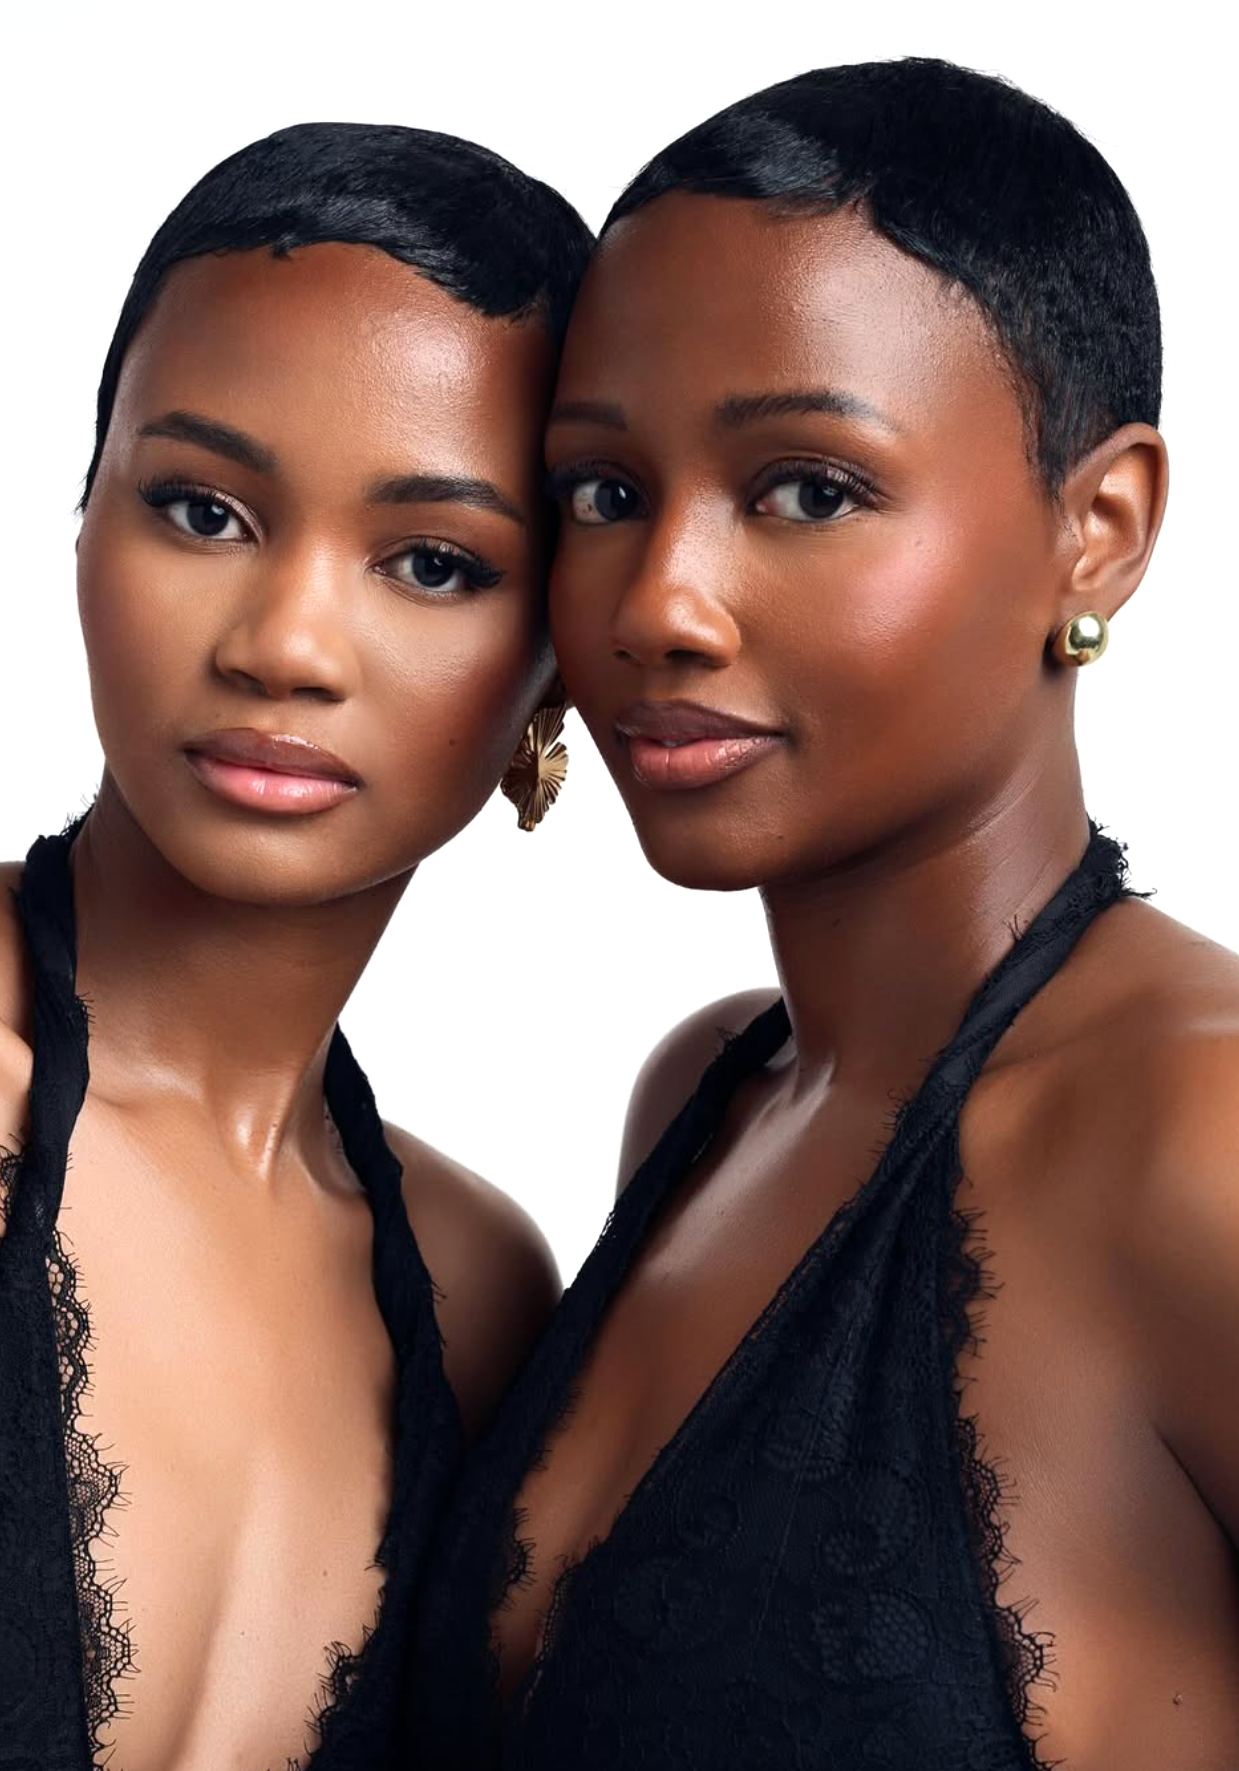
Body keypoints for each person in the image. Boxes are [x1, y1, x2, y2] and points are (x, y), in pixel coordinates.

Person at [411, 59, 1239, 1770]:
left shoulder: (1199, 1140)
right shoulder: (704, 1099)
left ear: (1099, 529)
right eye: (601, 491)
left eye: (806, 487)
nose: (659, 604)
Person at [0, 121, 590, 1771]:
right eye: (200, 509)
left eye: (432, 562)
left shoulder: (476, 1294)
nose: (285, 643)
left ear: (558, 669)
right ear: (81, 521)